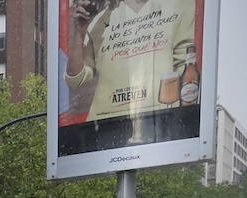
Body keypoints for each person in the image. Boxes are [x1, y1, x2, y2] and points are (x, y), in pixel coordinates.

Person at [64, 0, 199, 122]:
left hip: (161, 120)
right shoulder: (99, 20)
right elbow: (75, 80)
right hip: (104, 125)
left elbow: (187, 67)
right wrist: (79, 32)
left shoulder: (181, 5)